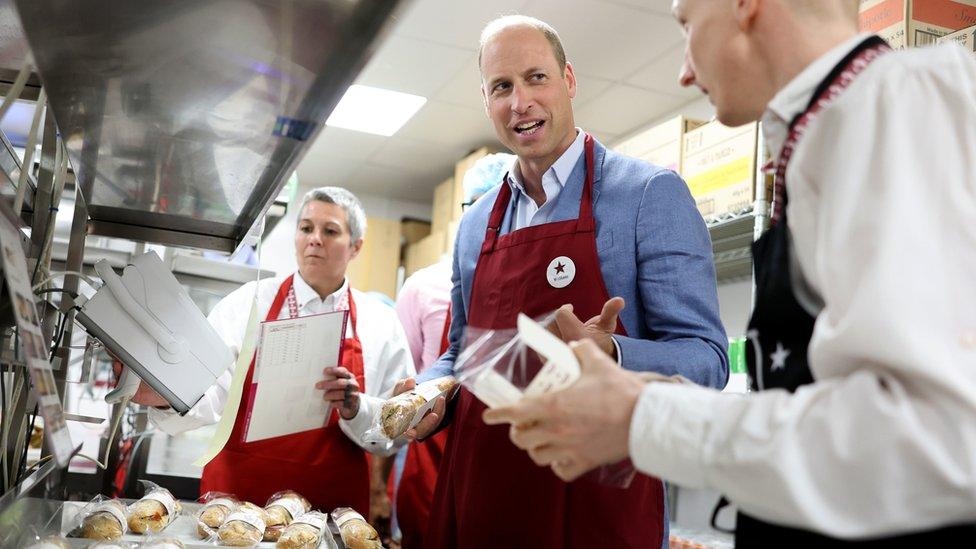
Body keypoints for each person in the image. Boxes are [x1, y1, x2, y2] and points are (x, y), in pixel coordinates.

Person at [485, 0, 976, 545]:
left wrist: (643, 418)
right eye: (499, 87)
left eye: (687, 25)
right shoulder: (834, 130)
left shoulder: (894, 109)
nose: (685, 71)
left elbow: (934, 439)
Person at [410, 15, 729, 549]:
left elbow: (708, 360)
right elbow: (462, 353)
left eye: (536, 78)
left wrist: (613, 350)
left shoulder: (648, 195)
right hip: (480, 501)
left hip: (594, 507)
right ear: (486, 101)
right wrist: (429, 393)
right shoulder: (473, 225)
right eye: (501, 87)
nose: (520, 103)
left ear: (570, 80)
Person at [128, 186, 415, 514]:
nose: (315, 238)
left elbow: (392, 431)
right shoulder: (249, 303)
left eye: (330, 231)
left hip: (332, 512)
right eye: (306, 228)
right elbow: (208, 391)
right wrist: (165, 395)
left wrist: (356, 408)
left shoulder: (381, 324)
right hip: (237, 505)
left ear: (356, 246)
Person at [392, 152, 514, 549]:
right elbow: (406, 383)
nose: (488, 219)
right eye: (476, 207)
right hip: (432, 452)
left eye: (499, 204)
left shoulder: (525, 283)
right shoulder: (423, 287)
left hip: (499, 459)